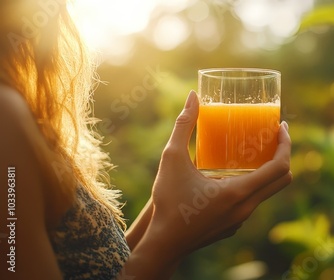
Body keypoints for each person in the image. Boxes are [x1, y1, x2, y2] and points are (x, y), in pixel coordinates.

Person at [0, 1, 292, 279]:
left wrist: (162, 207)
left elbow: (103, 268)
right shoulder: (6, 111)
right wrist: (173, 238)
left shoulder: (20, 103)